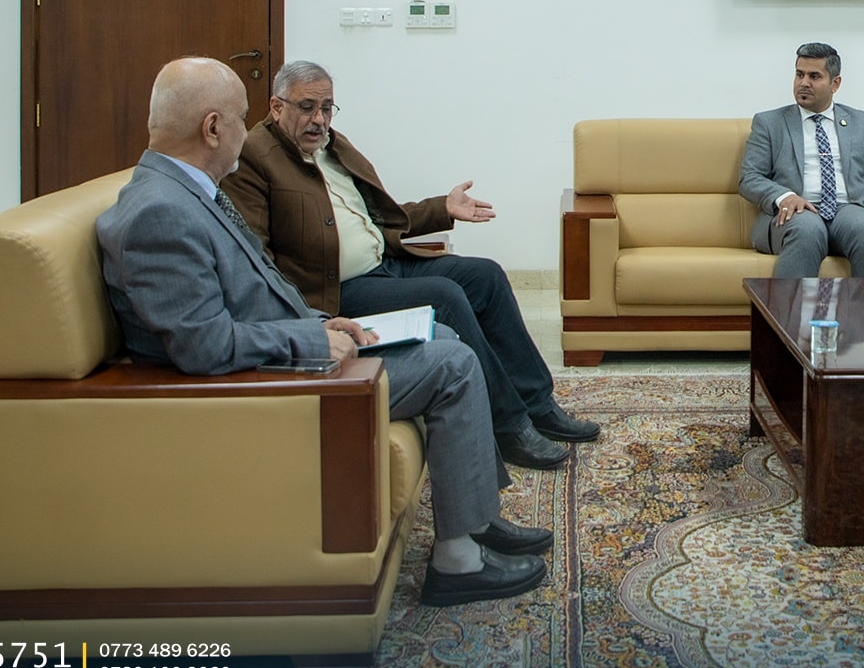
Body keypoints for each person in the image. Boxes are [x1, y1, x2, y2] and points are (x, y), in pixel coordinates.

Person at [96, 58, 551, 607]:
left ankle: (472, 522)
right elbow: (203, 346)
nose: (246, 129)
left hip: (286, 346)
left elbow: (254, 291)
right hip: (261, 382)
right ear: (213, 128)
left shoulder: (185, 192)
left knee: (444, 339)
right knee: (451, 364)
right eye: (240, 117)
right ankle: (458, 563)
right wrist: (311, 340)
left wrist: (320, 323)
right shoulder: (160, 212)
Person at [222, 60, 597, 472]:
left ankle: (537, 403)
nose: (319, 119)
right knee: (444, 296)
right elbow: (255, 255)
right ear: (276, 106)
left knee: (485, 275)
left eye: (327, 108)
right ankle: (506, 425)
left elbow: (381, 217)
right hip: (334, 291)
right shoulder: (255, 156)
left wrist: (442, 209)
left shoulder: (332, 147)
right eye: (307, 107)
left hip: (385, 264)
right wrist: (306, 323)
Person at [740, 42, 864, 278]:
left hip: (848, 209)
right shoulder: (769, 123)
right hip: (797, 214)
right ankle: (790, 304)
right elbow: (749, 178)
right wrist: (785, 196)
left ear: (835, 83)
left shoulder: (861, 123)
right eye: (799, 74)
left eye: (814, 76)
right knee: (807, 230)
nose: (804, 83)